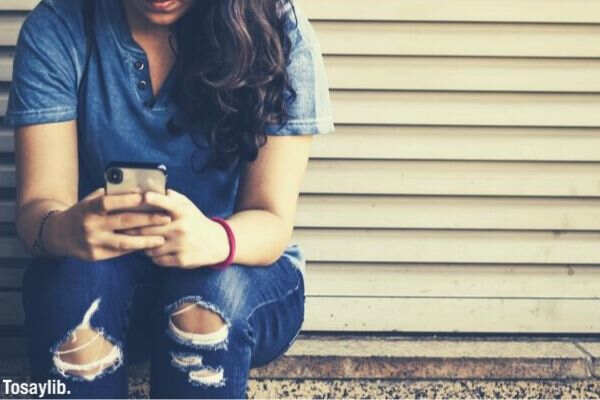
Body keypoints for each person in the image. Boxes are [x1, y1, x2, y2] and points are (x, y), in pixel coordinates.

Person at [5, 0, 334, 397]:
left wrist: (212, 239)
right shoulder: (60, 25)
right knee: (71, 292)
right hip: (105, 282)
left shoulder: (276, 28)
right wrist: (65, 229)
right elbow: (38, 209)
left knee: (204, 303)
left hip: (238, 272)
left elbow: (271, 220)